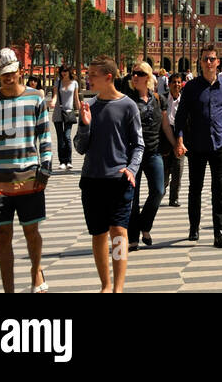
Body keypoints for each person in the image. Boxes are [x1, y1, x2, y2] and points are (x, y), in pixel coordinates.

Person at [0, 48, 52, 293]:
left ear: (20, 71)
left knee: (31, 230)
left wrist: (46, 165)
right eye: (3, 74)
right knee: (3, 234)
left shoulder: (36, 98)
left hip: (29, 175)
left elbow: (44, 136)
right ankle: (9, 290)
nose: (8, 78)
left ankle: (35, 270)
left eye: (12, 73)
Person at [75, 56, 142, 293]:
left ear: (108, 77)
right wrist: (84, 125)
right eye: (88, 74)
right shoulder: (89, 106)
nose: (88, 78)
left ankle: (118, 287)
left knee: (119, 234)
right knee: (98, 234)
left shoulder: (128, 106)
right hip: (92, 180)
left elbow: (138, 144)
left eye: (93, 75)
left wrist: (131, 169)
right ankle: (105, 285)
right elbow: (80, 147)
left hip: (119, 180)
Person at [174, 46, 222, 248]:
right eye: (205, 59)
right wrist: (179, 139)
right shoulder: (191, 87)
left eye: (212, 59)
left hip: (220, 144)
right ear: (201, 62)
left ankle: (219, 232)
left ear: (217, 62)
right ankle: (194, 226)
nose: (209, 63)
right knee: (196, 188)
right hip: (196, 145)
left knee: (219, 189)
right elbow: (180, 117)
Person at [125, 62, 174, 252]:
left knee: (159, 190)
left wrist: (176, 143)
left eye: (139, 73)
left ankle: (145, 225)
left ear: (148, 78)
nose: (134, 76)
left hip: (153, 151)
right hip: (133, 154)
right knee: (133, 199)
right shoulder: (128, 100)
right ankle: (133, 237)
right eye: (133, 73)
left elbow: (165, 126)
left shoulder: (158, 99)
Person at [47, 66, 79, 173]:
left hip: (69, 113)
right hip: (58, 113)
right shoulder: (58, 82)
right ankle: (62, 162)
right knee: (60, 138)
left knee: (67, 136)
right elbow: (55, 95)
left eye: (65, 71)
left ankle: (69, 161)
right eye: (62, 71)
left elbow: (76, 99)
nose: (63, 73)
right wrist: (52, 101)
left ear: (69, 72)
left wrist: (81, 111)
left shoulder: (74, 83)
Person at [164, 73, 185, 205]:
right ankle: (161, 191)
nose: (176, 85)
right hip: (165, 138)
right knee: (164, 172)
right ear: (169, 84)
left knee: (178, 170)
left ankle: (174, 198)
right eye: (174, 82)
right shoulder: (162, 99)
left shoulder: (184, 101)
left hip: (179, 138)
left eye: (179, 82)